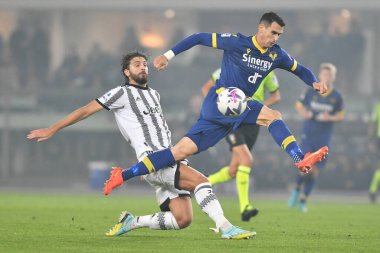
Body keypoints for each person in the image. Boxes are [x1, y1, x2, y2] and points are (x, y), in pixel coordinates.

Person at [104, 12, 329, 208]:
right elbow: (199, 38)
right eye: (272, 33)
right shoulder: (236, 43)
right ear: (261, 28)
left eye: (279, 35)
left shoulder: (276, 54)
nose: (275, 38)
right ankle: (299, 157)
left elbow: (300, 69)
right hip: (220, 102)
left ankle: (122, 175)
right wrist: (168, 55)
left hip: (237, 106)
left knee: (179, 152)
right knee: (273, 116)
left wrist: (315, 82)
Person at [27, 51, 255, 239]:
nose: (143, 67)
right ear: (127, 72)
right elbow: (85, 110)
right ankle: (226, 228)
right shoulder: (121, 93)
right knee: (202, 182)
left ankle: (132, 222)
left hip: (170, 157)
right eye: (137, 64)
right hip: (154, 159)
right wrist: (53, 128)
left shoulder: (154, 94)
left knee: (183, 219)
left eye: (145, 64)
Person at [204, 68, 281, 221]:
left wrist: (258, 108)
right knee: (246, 159)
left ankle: (201, 184)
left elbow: (276, 95)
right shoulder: (230, 65)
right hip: (232, 120)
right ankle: (245, 207)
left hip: (252, 123)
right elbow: (206, 88)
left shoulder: (266, 69)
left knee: (233, 170)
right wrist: (218, 107)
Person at [288, 63, 344, 212]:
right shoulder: (311, 91)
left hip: (323, 137)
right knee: (305, 165)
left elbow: (341, 115)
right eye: (324, 74)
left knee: (315, 170)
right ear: (320, 75)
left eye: (329, 75)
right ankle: (296, 188)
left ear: (333, 77)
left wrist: (330, 117)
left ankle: (302, 200)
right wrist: (304, 114)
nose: (327, 77)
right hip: (309, 134)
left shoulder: (336, 96)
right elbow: (299, 105)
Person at [369, 102, 380, 202]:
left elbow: (372, 123)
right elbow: (372, 124)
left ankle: (372, 190)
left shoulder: (377, 106)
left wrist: (371, 140)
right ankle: (372, 191)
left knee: (378, 167)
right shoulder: (377, 106)